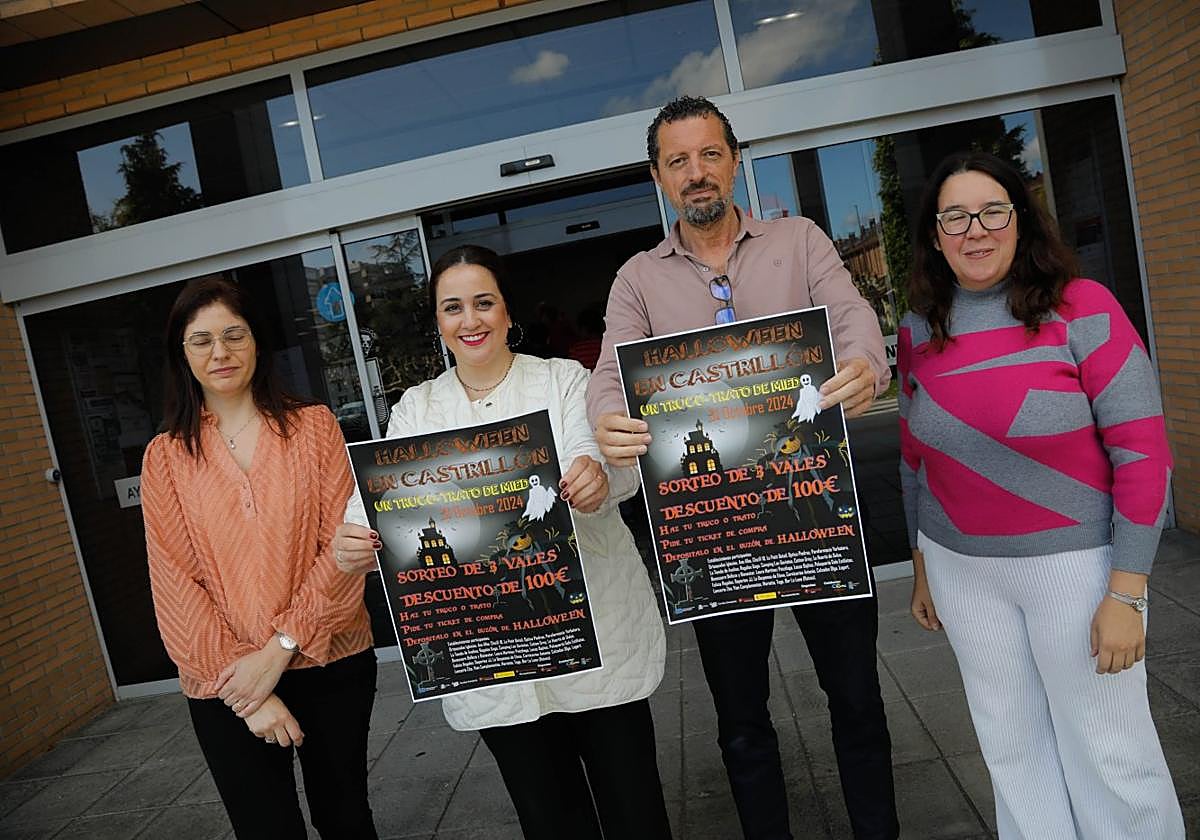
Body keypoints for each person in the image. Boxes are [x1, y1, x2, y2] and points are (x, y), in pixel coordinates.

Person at [585, 96, 898, 840]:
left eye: (710, 154)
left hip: (814, 509)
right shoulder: (636, 279)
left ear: (733, 161)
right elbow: (610, 370)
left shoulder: (800, 240)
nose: (696, 173)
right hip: (714, 530)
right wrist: (606, 418)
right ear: (659, 177)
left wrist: (863, 360)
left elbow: (851, 314)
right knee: (740, 721)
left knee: (857, 698)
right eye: (678, 161)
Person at [333, 245, 672, 840]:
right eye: (453, 307)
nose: (470, 320)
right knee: (549, 820)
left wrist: (596, 478)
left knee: (635, 812)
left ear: (508, 311)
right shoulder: (418, 409)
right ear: (438, 321)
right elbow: (379, 502)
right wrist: (352, 540)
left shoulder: (562, 380)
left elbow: (602, 459)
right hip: (492, 655)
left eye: (484, 303)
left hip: (595, 637)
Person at [900, 151, 1183, 838]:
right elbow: (914, 458)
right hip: (962, 571)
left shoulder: (1083, 308)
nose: (975, 230)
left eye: (992, 211)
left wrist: (1127, 593)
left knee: (1111, 751)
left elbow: (1144, 454)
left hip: (1076, 570)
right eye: (955, 217)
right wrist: (923, 565)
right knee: (1011, 749)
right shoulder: (918, 326)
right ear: (936, 234)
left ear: (1021, 221)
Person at [141, 277, 377, 839]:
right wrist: (248, 693)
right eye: (201, 340)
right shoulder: (165, 457)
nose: (219, 352)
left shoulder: (314, 428)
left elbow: (342, 551)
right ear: (182, 353)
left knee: (346, 818)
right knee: (264, 827)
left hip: (331, 662)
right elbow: (175, 585)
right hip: (224, 680)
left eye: (234, 335)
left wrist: (279, 650)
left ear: (257, 341)